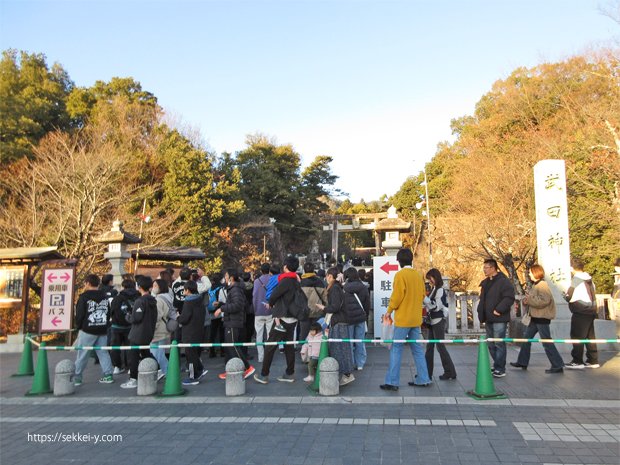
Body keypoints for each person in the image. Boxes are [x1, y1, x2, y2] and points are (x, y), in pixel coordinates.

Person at [380, 248, 431, 391]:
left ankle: (392, 382)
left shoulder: (400, 275)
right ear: (411, 260)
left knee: (396, 349)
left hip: (403, 320)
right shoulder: (418, 275)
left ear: (399, 261)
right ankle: (423, 378)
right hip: (416, 319)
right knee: (417, 349)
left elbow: (397, 297)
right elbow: (422, 295)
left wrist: (389, 311)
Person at [510, 264, 564, 373]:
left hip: (542, 317)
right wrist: (528, 300)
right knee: (526, 339)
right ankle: (522, 361)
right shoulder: (537, 285)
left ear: (535, 273)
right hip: (535, 317)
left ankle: (557, 364)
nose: (529, 274)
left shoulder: (542, 285)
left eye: (530, 272)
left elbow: (544, 300)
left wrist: (529, 300)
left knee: (546, 341)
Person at [254, 256, 299, 384]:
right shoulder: (296, 280)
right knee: (289, 345)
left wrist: (271, 303)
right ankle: (289, 373)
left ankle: (264, 374)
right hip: (293, 317)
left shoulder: (285, 281)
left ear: (285, 267)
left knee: (270, 345)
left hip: (282, 317)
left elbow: (274, 295)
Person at [476, 258, 516, 378]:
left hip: (499, 317)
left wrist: (499, 309)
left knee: (499, 343)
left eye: (486, 268)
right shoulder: (486, 282)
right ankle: (497, 364)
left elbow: (509, 297)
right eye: (484, 268)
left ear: (493, 268)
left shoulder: (503, 281)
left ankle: (500, 367)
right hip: (488, 317)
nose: (484, 270)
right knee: (491, 343)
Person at [73, 274, 115, 386]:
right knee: (103, 353)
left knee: (83, 354)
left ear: (87, 283)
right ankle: (108, 374)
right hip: (102, 329)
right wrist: (105, 324)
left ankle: (77, 377)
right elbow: (108, 312)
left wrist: (79, 326)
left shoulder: (84, 297)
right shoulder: (105, 297)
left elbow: (80, 315)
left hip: (87, 329)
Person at [213, 269, 255, 380]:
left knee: (232, 346)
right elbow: (234, 303)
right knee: (229, 347)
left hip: (233, 321)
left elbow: (237, 306)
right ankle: (230, 370)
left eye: (226, 276)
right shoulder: (234, 289)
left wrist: (221, 308)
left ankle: (247, 367)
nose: (224, 278)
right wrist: (221, 304)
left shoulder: (235, 289)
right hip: (230, 321)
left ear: (231, 277)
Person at [316, 267, 355, 386]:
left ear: (329, 276)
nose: (326, 279)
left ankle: (346, 374)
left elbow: (335, 306)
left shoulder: (334, 289)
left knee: (339, 349)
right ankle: (346, 373)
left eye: (327, 276)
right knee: (342, 348)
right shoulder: (337, 287)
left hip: (338, 322)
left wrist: (324, 308)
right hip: (340, 321)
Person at [121, 275, 158, 389]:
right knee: (146, 353)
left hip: (138, 333)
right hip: (148, 331)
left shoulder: (140, 301)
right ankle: (159, 368)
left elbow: (136, 318)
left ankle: (133, 379)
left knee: (134, 356)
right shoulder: (153, 300)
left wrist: (128, 316)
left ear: (140, 286)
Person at [564, 257, 599, 369]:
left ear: (571, 268)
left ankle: (577, 361)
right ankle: (593, 360)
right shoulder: (589, 278)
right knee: (590, 336)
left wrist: (564, 295)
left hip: (580, 310)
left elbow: (568, 296)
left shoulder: (576, 280)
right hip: (591, 310)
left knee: (577, 336)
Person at [423, 269, 457, 380]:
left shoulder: (440, 290)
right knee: (430, 347)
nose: (429, 281)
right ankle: (428, 372)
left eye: (430, 278)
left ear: (435, 277)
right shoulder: (434, 289)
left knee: (440, 347)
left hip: (438, 320)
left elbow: (436, 306)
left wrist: (425, 300)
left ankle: (449, 371)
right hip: (433, 320)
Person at [177, 280, 208, 385]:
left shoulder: (188, 302)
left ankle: (193, 376)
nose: (183, 292)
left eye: (184, 290)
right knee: (195, 353)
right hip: (199, 330)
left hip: (189, 332)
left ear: (188, 290)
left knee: (190, 355)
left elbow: (184, 318)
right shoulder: (200, 300)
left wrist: (178, 317)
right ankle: (200, 370)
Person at [109, 278, 139, 374]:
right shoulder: (138, 297)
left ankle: (117, 366)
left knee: (115, 347)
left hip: (117, 326)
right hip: (132, 326)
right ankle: (131, 367)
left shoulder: (118, 298)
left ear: (123, 287)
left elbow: (112, 311)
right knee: (131, 348)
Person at [343, 267, 370, 371]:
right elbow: (366, 303)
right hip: (361, 318)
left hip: (349, 318)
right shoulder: (362, 287)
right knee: (360, 341)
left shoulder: (345, 288)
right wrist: (365, 315)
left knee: (349, 341)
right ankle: (360, 364)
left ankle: (351, 362)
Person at [151, 278, 174, 379]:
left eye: (155, 286)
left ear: (160, 287)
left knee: (156, 353)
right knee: (160, 353)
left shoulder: (158, 300)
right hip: (164, 327)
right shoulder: (168, 297)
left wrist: (152, 328)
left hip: (158, 329)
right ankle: (167, 371)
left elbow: (157, 316)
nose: (153, 287)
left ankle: (167, 372)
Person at [300, 262, 327, 346]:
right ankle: (317, 350)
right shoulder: (320, 282)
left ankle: (305, 351)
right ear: (313, 270)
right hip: (318, 311)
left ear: (304, 270)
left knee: (304, 333)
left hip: (304, 312)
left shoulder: (301, 282)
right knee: (318, 333)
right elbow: (325, 298)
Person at [252, 263, 273, 363]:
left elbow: (254, 296)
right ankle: (269, 356)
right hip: (270, 310)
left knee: (259, 335)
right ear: (269, 270)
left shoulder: (256, 281)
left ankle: (261, 357)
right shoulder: (272, 279)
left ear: (261, 270)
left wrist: (255, 309)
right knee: (270, 335)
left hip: (259, 311)